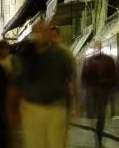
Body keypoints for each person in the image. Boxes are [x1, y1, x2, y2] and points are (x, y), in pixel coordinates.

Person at [14, 20, 77, 148]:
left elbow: (70, 81)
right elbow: (16, 83)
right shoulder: (25, 55)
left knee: (57, 144)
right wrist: (13, 108)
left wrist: (73, 104)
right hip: (31, 109)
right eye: (38, 31)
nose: (41, 34)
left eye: (44, 30)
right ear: (33, 34)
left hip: (56, 108)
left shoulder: (62, 55)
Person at [81, 40, 117, 147]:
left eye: (98, 46)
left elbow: (113, 75)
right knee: (94, 112)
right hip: (92, 89)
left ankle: (99, 134)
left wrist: (108, 84)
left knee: (101, 113)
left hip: (103, 89)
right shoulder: (89, 60)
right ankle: (97, 129)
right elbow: (84, 75)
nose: (97, 48)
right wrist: (86, 85)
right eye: (95, 46)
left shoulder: (108, 60)